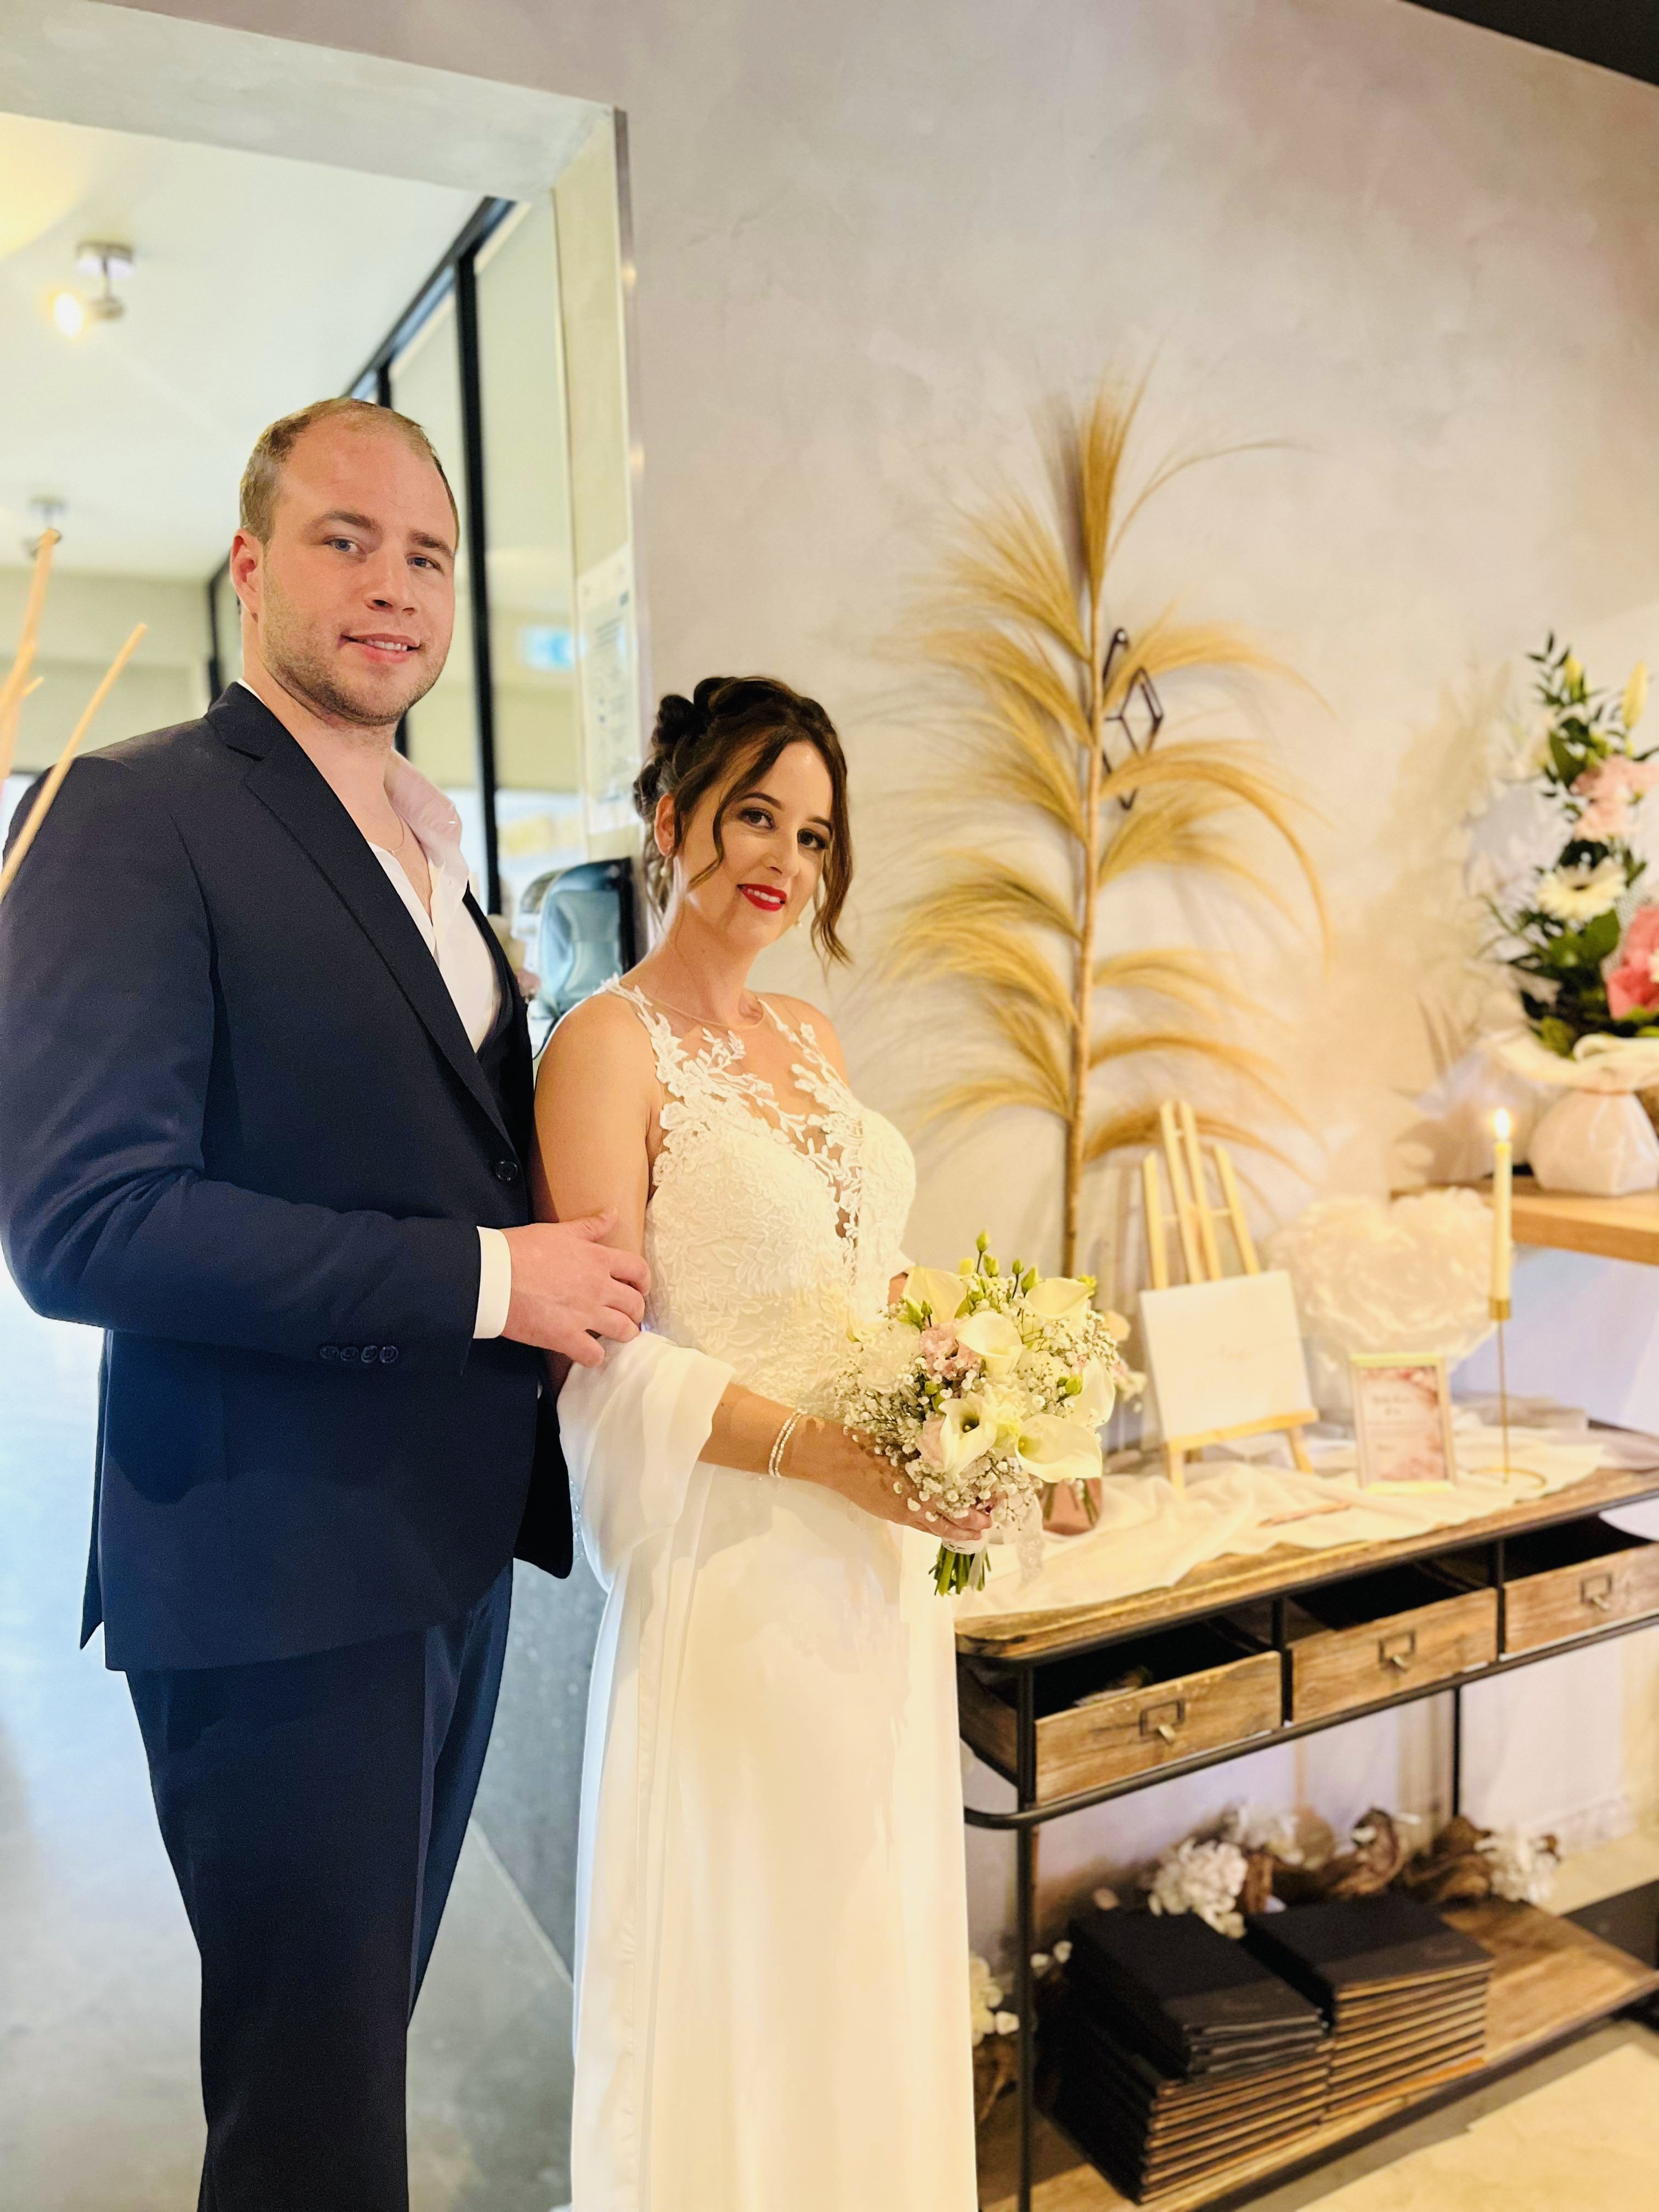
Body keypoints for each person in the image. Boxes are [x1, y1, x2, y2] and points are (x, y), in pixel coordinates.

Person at [0, 396, 649, 2211]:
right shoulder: (134, 816)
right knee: (311, 2132)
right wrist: (492, 1280)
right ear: (252, 564)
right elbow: (86, 1225)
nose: (394, 586)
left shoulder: (433, 851)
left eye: (428, 555)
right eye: (345, 540)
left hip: (440, 1558)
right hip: (274, 1577)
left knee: (348, 2072)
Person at [537, 675, 983, 2211]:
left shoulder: (812, 1034)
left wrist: (976, 1379)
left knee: (866, 1948)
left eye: (813, 834)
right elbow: (601, 1357)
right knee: (751, 1965)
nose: (784, 859)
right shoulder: (606, 1045)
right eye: (754, 817)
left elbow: (859, 1279)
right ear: (672, 823)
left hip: (875, 1569)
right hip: (734, 1565)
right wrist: (828, 1457)